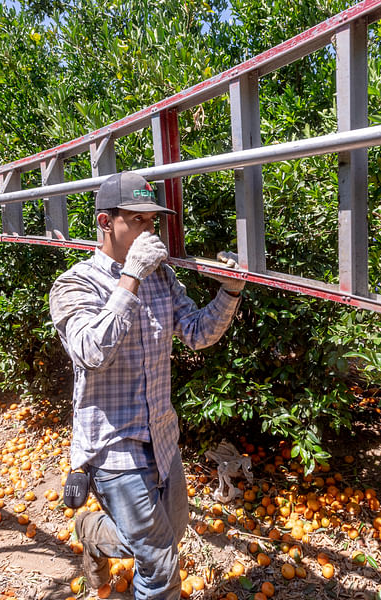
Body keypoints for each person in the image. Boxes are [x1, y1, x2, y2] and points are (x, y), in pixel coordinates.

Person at [49, 172, 246, 599]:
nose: (148, 230)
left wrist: (229, 292)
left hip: (161, 436)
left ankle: (92, 529)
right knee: (159, 563)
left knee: (170, 534)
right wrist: (132, 275)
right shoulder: (74, 284)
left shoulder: (162, 278)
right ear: (105, 222)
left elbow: (197, 333)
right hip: (114, 445)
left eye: (152, 221)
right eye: (137, 219)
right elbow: (91, 352)